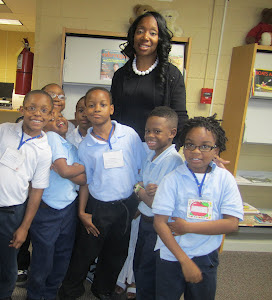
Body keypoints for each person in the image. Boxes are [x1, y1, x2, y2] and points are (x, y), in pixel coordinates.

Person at [58, 87, 145, 300]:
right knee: (84, 253)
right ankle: (70, 290)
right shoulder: (86, 146)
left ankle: (102, 289)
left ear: (111, 109)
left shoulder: (129, 135)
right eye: (91, 105)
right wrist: (82, 212)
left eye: (102, 104)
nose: (97, 109)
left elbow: (140, 169)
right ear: (85, 111)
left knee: (116, 253)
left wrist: (137, 202)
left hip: (126, 205)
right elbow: (86, 181)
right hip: (98, 207)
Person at [152, 114, 244, 300]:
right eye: (190, 144)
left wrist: (188, 227)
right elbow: (159, 223)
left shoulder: (225, 179)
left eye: (204, 146)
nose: (196, 152)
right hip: (172, 255)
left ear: (216, 149)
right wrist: (184, 261)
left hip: (206, 255)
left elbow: (232, 224)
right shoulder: (172, 179)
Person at [0, 90, 53, 300]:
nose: (37, 114)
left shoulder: (44, 150)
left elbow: (37, 191)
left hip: (13, 213)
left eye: (43, 110)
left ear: (50, 115)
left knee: (8, 263)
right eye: (31, 108)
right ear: (22, 109)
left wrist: (24, 227)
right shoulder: (4, 129)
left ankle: (4, 295)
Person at [27, 111, 86, 300]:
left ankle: (50, 293)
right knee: (43, 259)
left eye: (60, 116)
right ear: (44, 126)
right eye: (51, 119)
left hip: (68, 208)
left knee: (62, 258)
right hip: (47, 210)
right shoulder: (51, 137)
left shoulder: (71, 145)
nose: (59, 119)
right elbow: (64, 170)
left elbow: (84, 179)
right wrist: (77, 168)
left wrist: (73, 170)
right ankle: (35, 295)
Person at [111, 11, 188, 142]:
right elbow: (113, 115)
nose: (145, 37)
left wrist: (183, 147)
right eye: (140, 31)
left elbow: (179, 117)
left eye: (153, 33)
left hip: (157, 150)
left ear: (160, 39)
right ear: (133, 36)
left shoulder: (172, 74)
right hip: (124, 148)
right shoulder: (121, 75)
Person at [132, 106, 184, 299]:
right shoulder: (150, 154)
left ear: (172, 133)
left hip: (157, 227)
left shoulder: (173, 161)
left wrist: (140, 189)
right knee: (140, 268)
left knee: (151, 275)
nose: (150, 135)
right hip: (145, 223)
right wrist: (143, 190)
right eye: (147, 130)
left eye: (157, 131)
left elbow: (156, 204)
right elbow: (142, 188)